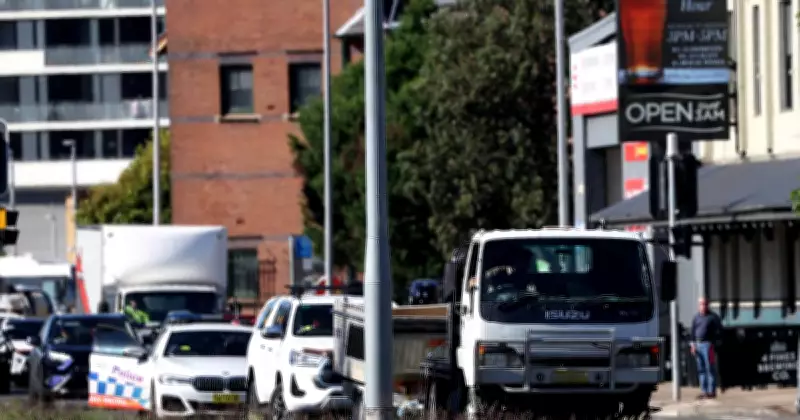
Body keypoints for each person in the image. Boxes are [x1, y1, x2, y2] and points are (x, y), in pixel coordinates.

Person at [690, 297, 723, 399]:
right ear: (698, 306)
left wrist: (715, 342)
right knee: (701, 369)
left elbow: (720, 330)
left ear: (707, 305)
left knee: (710, 368)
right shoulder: (696, 318)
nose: (703, 306)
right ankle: (704, 391)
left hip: (708, 345)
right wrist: (692, 345)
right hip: (698, 345)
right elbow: (692, 332)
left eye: (704, 304)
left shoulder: (713, 317)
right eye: (701, 304)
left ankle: (711, 391)